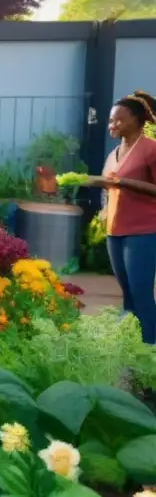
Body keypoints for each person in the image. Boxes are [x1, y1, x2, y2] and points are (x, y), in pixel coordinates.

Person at [99, 90, 156, 345]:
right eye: (111, 120)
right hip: (115, 231)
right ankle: (133, 349)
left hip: (143, 232)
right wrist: (103, 211)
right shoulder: (113, 154)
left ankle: (150, 353)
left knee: (142, 294)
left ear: (137, 120)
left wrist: (124, 182)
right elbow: (109, 187)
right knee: (128, 296)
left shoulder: (150, 150)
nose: (112, 125)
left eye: (119, 120)